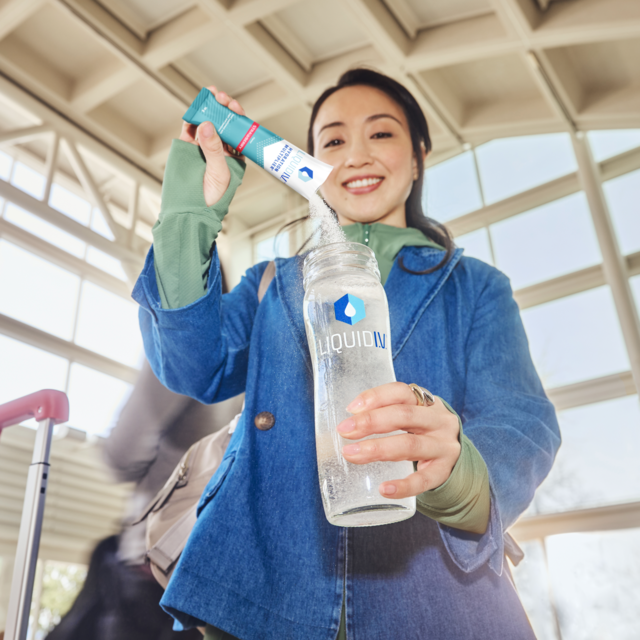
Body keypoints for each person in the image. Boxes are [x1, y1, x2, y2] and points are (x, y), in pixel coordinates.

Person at [133, 69, 561, 639]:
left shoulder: (473, 287)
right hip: (256, 591)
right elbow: (191, 366)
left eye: (381, 135)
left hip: (437, 604)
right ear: (309, 165)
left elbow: (523, 420)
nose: (355, 156)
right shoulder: (271, 284)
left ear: (418, 158)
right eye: (332, 141)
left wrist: (459, 474)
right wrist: (191, 216)